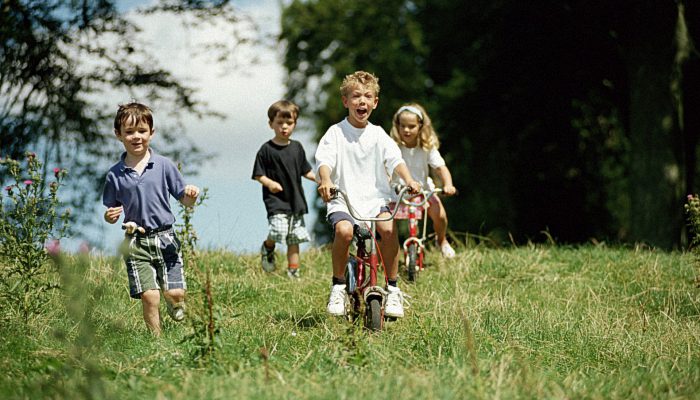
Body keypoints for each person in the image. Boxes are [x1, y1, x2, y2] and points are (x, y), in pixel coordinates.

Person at [316, 71, 421, 318]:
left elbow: (395, 159)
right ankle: (338, 285)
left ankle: (393, 288)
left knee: (387, 228)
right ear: (345, 101)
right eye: (355, 96)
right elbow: (325, 161)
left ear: (375, 103)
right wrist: (326, 180)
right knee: (344, 231)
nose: (361, 101)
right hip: (343, 197)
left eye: (367, 96)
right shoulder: (335, 133)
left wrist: (408, 180)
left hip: (375, 200)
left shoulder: (378, 134)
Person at [102, 102, 200, 337]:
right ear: (119, 135)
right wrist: (110, 215)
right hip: (136, 241)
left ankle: (174, 301)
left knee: (175, 294)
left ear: (151, 133)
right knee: (149, 295)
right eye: (129, 132)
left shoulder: (164, 165)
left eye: (142, 131)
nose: (136, 137)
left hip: (165, 238)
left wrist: (192, 196)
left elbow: (184, 201)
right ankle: (156, 340)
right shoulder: (114, 174)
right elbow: (111, 211)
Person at [252, 100, 316, 279]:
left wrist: (321, 179)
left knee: (294, 238)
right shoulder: (266, 150)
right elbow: (258, 174)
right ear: (271, 124)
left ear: (295, 124)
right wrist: (269, 183)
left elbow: (306, 170)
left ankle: (293, 271)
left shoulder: (297, 148)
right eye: (279, 123)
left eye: (289, 123)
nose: (284, 127)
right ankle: (268, 247)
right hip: (276, 200)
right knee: (278, 231)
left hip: (295, 200)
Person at [389, 103, 458, 258]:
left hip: (423, 191)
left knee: (439, 215)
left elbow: (440, 167)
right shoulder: (393, 147)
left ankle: (441, 241)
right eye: (403, 126)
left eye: (411, 126)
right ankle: (388, 252)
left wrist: (448, 184)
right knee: (386, 225)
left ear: (420, 126)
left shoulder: (426, 147)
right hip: (398, 192)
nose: (406, 130)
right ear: (397, 126)